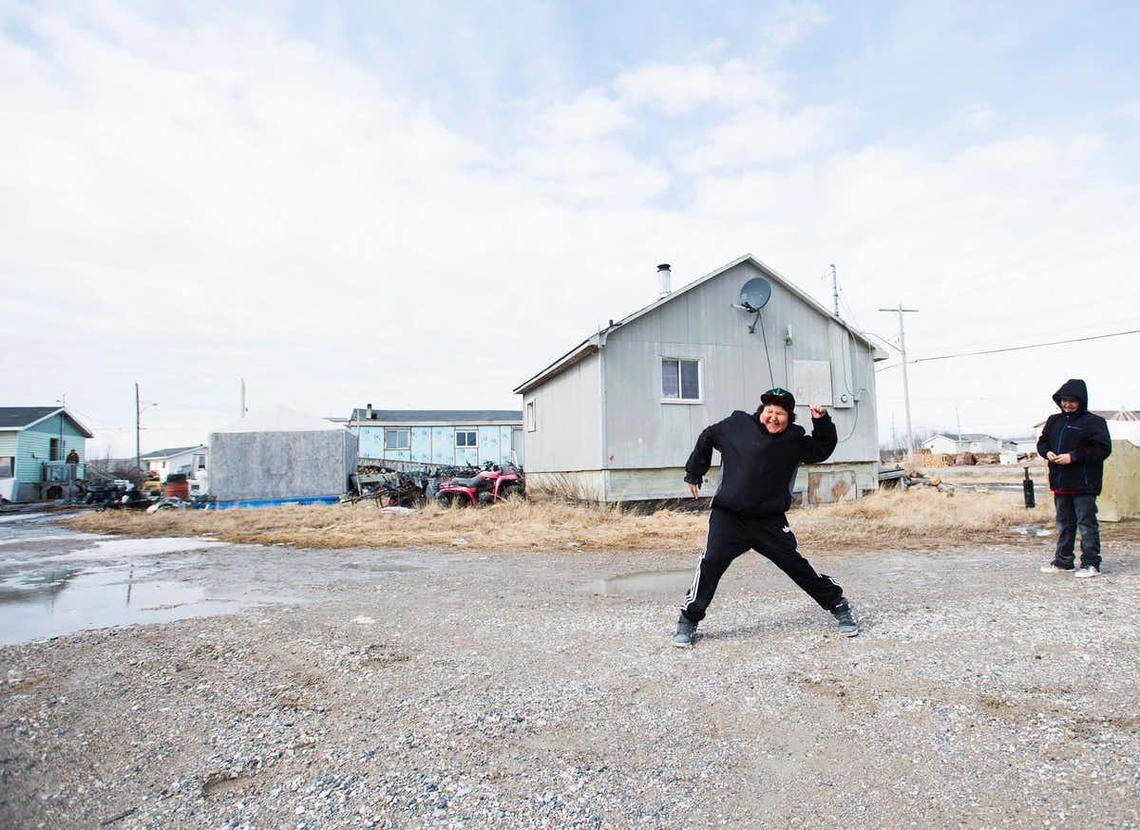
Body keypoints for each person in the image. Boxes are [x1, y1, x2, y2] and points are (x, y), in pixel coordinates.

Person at [672, 388, 858, 647]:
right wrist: (695, 471)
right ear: (761, 411)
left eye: (780, 414)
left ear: (789, 418)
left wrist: (822, 421)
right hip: (729, 516)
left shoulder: (794, 440)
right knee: (711, 563)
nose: (773, 417)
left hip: (768, 520)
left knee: (796, 565)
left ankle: (838, 604)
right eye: (769, 411)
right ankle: (688, 619)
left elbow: (822, 449)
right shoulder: (737, 425)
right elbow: (708, 436)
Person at [1036, 379, 1112, 578]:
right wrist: (1048, 453)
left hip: (1084, 483)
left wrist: (1073, 456)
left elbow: (1102, 449)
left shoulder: (1094, 422)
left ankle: (1091, 564)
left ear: (1081, 401)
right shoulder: (1054, 421)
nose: (1067, 404)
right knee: (1064, 523)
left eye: (1072, 401)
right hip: (1061, 482)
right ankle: (1063, 562)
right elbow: (1042, 442)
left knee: (1086, 523)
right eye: (1064, 400)